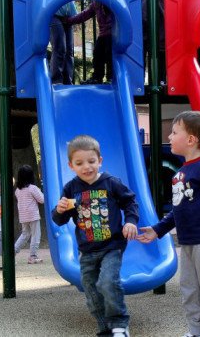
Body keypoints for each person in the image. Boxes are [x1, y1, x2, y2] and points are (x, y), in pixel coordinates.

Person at [137, 111, 200, 337]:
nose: (169, 137)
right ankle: (197, 331)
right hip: (187, 243)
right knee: (189, 290)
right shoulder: (179, 173)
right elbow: (178, 210)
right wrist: (157, 230)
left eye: (174, 132)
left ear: (191, 140)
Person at [52, 135, 138, 337]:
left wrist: (131, 221)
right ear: (71, 165)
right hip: (87, 250)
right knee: (91, 290)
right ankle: (105, 328)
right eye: (79, 163)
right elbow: (59, 220)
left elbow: (130, 202)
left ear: (100, 161)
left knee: (107, 282)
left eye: (91, 162)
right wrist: (60, 210)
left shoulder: (111, 183)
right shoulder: (71, 188)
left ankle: (119, 324)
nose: (87, 167)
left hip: (112, 245)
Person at [65, 0, 113, 84]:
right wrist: (69, 21)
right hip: (103, 34)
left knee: (110, 54)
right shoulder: (96, 3)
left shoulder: (111, 1)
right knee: (97, 54)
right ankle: (97, 78)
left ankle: (111, 78)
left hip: (114, 33)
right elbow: (84, 15)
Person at [14, 164, 45, 264]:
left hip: (23, 215)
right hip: (33, 215)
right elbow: (42, 200)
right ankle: (33, 256)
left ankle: (13, 251)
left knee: (25, 234)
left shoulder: (18, 190)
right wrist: (41, 192)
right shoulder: (33, 188)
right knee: (36, 235)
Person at [50, 1, 78, 84]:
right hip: (55, 13)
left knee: (69, 50)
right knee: (60, 47)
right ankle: (56, 80)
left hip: (69, 14)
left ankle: (68, 80)